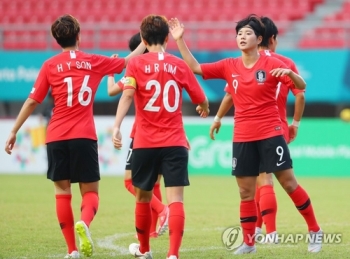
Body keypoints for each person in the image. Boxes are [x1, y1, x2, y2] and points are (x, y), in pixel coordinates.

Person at [169, 14, 322, 255]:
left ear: (259, 39)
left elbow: (301, 87)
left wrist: (291, 75)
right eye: (239, 34)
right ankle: (249, 242)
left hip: (271, 133)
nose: (242, 37)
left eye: (247, 33)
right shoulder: (230, 65)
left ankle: (315, 230)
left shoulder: (271, 64)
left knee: (288, 183)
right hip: (242, 136)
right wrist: (180, 40)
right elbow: (196, 68)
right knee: (245, 192)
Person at [4, 14, 146, 259]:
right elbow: (126, 62)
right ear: (79, 35)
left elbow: (31, 101)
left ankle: (71, 251)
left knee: (62, 193)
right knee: (91, 193)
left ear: (56, 39)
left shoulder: (49, 65)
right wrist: (146, 40)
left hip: (56, 136)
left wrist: (14, 130)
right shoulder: (92, 61)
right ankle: (85, 224)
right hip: (84, 136)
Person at [112, 15, 209, 259]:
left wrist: (116, 126)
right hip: (175, 142)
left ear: (143, 39)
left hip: (144, 142)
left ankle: (144, 251)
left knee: (143, 198)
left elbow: (125, 96)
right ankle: (173, 254)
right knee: (175, 199)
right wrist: (205, 108)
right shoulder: (179, 65)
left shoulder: (135, 65)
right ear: (167, 38)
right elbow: (200, 99)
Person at [107, 32, 169, 238]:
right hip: (167, 132)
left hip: (143, 133)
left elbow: (112, 92)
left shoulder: (136, 68)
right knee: (154, 183)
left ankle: (162, 211)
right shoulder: (166, 66)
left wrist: (110, 73)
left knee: (131, 182)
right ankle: (152, 230)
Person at [254, 16, 306, 242]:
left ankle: (270, 232)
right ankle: (258, 229)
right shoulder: (284, 62)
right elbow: (300, 93)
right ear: (272, 38)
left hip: (256, 126)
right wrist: (295, 124)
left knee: (262, 179)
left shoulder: (250, 62)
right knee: (264, 179)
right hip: (279, 125)